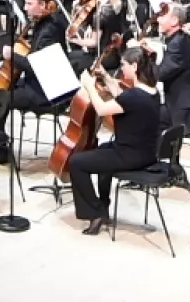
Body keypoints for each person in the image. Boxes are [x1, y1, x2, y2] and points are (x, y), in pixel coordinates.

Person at [63, 55, 165, 235]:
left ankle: (95, 213)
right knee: (102, 151)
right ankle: (102, 206)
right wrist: (106, 77)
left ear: (134, 66)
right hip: (145, 152)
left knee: (76, 162)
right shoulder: (152, 92)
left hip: (129, 155)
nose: (122, 69)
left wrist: (89, 86)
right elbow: (122, 96)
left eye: (124, 65)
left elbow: (102, 109)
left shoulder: (133, 97)